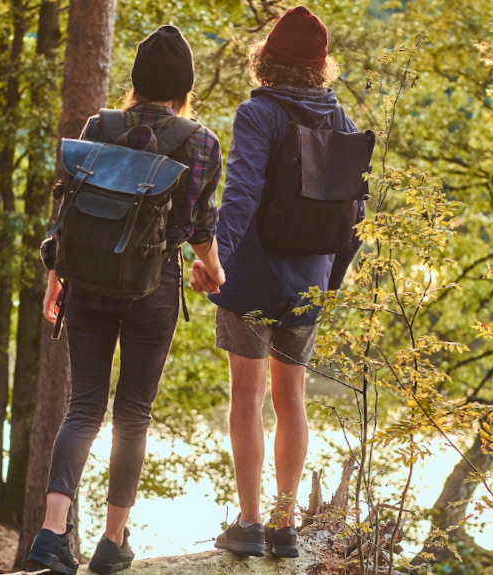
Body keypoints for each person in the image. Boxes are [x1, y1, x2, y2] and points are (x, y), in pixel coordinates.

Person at [26, 25, 225, 575]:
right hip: (153, 287)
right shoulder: (201, 140)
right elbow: (196, 226)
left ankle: (50, 533)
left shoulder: (99, 126)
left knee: (83, 406)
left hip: (86, 282)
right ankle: (112, 542)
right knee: (132, 414)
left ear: (135, 82)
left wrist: (54, 279)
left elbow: (67, 210)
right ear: (183, 86)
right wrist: (212, 268)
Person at [190, 5, 362, 559]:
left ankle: (249, 524)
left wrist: (214, 260)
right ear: (320, 66)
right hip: (308, 281)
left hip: (253, 279)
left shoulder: (257, 113)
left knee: (247, 396)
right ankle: (285, 528)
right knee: (293, 400)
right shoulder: (343, 123)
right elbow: (355, 219)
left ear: (266, 60)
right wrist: (328, 284)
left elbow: (237, 200)